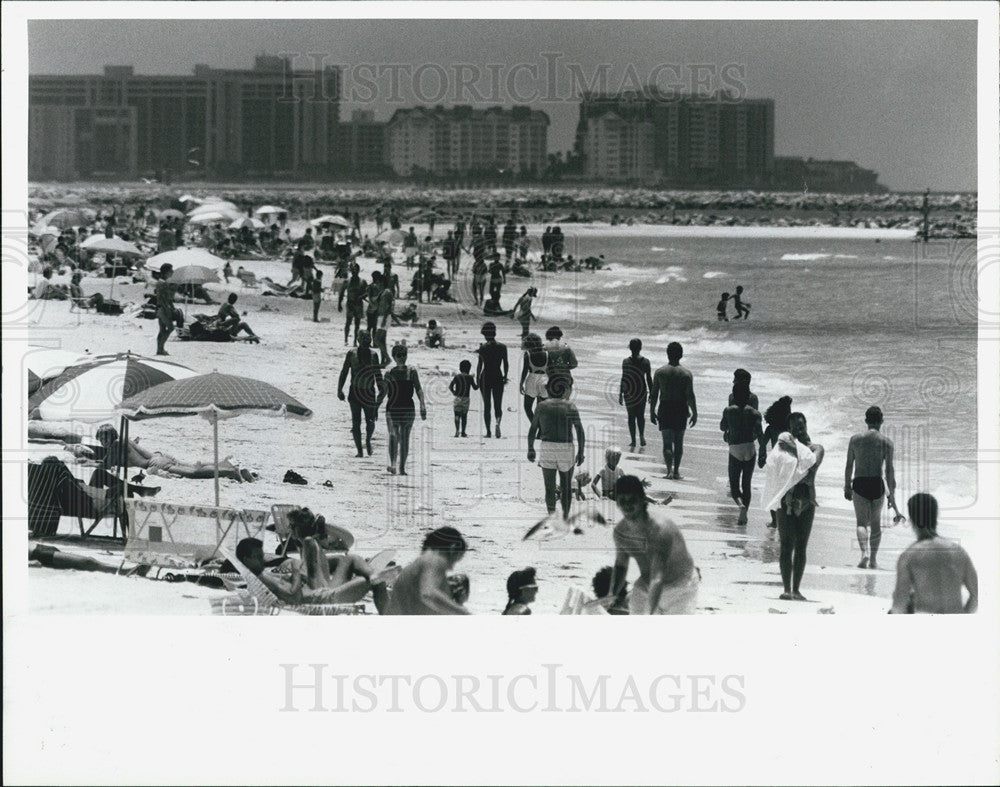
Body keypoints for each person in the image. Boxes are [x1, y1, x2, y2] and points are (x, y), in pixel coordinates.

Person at [610, 475, 699, 614]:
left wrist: (649, 614)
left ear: (642, 499)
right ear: (617, 503)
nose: (627, 505)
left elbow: (658, 578)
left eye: (632, 500)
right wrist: (611, 595)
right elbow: (621, 565)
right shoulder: (620, 532)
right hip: (646, 586)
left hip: (681, 586)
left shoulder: (659, 530)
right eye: (622, 500)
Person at [768, 412, 824, 601]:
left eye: (801, 425)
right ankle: (786, 589)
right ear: (789, 429)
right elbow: (774, 466)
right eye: (794, 427)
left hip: (807, 500)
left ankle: (797, 589)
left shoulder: (817, 448)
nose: (799, 429)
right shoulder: (782, 448)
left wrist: (793, 448)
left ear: (806, 425)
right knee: (786, 545)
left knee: (801, 546)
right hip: (787, 500)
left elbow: (812, 465)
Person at [890, 493, 978, 614]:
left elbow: (899, 605)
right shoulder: (958, 551)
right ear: (936, 517)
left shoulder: (909, 556)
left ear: (912, 520)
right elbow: (976, 595)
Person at [94, 424, 255, 482]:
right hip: (160, 456)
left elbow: (105, 465)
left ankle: (230, 472)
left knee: (192, 473)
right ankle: (231, 466)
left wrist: (83, 459)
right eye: (101, 440)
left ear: (110, 436)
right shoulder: (124, 439)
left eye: (103, 439)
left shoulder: (115, 445)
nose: (102, 443)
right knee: (193, 466)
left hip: (154, 463)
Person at [845, 405, 897, 569]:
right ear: (881, 421)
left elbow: (849, 465)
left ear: (866, 420)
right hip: (877, 484)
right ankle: (873, 560)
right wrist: (891, 494)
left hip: (859, 482)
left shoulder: (855, 439)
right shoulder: (887, 443)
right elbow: (889, 470)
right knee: (875, 524)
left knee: (861, 523)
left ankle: (864, 554)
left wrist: (847, 485)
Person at [527, 378, 585, 519]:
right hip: (566, 448)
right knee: (566, 487)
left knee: (549, 488)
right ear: (564, 390)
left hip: (547, 447)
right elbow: (580, 430)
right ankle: (565, 517)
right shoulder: (570, 406)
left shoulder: (541, 406)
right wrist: (581, 452)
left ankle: (552, 516)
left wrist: (530, 448)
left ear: (548, 389)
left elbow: (533, 428)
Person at [386, 527, 471, 615]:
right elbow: (429, 594)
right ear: (452, 549)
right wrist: (463, 613)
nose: (451, 567)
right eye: (454, 560)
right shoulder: (434, 559)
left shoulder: (418, 563)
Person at [376, 343, 427, 475]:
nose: (402, 358)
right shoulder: (389, 373)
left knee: (404, 439)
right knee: (393, 435)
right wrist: (375, 406)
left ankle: (402, 467)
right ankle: (393, 464)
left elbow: (419, 389)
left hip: (408, 408)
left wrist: (422, 405)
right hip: (392, 409)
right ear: (394, 357)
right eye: (399, 355)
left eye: (404, 355)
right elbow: (383, 392)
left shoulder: (412, 372)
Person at [649, 341, 697, 480]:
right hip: (681, 409)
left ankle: (669, 471)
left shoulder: (660, 372)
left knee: (667, 443)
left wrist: (652, 411)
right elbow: (690, 395)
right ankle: (676, 472)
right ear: (681, 355)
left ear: (667, 354)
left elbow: (654, 394)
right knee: (679, 442)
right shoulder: (686, 374)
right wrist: (695, 412)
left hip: (665, 408)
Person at [720, 384, 767, 524]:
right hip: (750, 448)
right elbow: (760, 433)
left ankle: (740, 505)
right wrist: (763, 451)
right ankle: (745, 513)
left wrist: (730, 427)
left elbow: (722, 427)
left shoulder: (728, 410)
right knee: (746, 484)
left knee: (734, 486)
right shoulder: (755, 413)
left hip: (735, 448)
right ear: (748, 397)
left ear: (734, 396)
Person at [338, 332, 386, 458]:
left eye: (368, 339)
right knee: (356, 422)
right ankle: (359, 450)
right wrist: (339, 389)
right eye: (363, 339)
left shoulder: (373, 355)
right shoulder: (351, 354)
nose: (365, 341)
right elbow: (344, 372)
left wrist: (381, 391)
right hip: (355, 391)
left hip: (369, 392)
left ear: (370, 340)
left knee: (370, 421)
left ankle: (368, 441)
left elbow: (378, 374)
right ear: (358, 340)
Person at [761, 395, 793, 528]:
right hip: (788, 462)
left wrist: (761, 457)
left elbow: (762, 444)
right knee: (786, 491)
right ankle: (786, 519)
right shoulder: (790, 430)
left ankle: (775, 521)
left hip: (775, 462)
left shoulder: (771, 429)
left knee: (774, 491)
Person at [476, 322, 509, 438]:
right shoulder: (502, 347)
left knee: (487, 406)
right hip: (497, 375)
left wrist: (477, 378)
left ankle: (488, 432)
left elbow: (480, 365)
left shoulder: (483, 347)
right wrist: (505, 376)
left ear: (485, 335)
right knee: (498, 404)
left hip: (485, 376)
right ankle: (497, 423)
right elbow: (506, 364)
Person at [620, 338, 653, 449]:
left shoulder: (626, 361)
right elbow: (649, 379)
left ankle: (633, 440)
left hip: (629, 392)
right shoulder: (645, 362)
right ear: (640, 348)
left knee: (631, 417)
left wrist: (620, 394)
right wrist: (652, 393)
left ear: (630, 348)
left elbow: (624, 378)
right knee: (640, 416)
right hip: (641, 391)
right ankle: (642, 435)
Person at [519, 332, 549, 421]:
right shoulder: (547, 353)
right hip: (544, 379)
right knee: (540, 409)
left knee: (527, 407)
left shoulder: (527, 354)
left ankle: (535, 426)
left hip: (532, 379)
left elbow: (525, 371)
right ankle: (541, 430)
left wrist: (521, 383)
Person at [544, 326, 578, 397]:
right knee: (564, 404)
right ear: (560, 335)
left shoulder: (544, 348)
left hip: (551, 379)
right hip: (565, 379)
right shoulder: (566, 347)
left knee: (551, 404)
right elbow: (574, 364)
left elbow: (541, 364)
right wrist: (563, 367)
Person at [449, 359, 478, 438]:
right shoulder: (470, 377)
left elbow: (450, 386)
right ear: (469, 368)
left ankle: (457, 430)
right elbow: (475, 388)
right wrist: (480, 383)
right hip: (466, 398)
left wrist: (454, 392)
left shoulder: (457, 376)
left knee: (456, 415)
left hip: (457, 398)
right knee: (464, 416)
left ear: (460, 368)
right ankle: (463, 432)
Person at [338, 266, 366, 345]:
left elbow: (367, 292)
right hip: (350, 303)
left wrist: (361, 296)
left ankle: (355, 341)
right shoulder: (347, 281)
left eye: (355, 270)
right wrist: (339, 304)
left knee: (357, 323)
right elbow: (342, 293)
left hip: (358, 304)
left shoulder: (362, 282)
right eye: (353, 270)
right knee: (348, 322)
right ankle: (346, 340)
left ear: (358, 271)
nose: (354, 272)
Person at [154, 263, 177, 356]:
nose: (172, 272)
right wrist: (168, 309)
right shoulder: (163, 283)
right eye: (171, 271)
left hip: (160, 308)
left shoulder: (160, 282)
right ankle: (161, 348)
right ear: (166, 272)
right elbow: (165, 298)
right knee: (170, 327)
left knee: (162, 330)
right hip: (163, 308)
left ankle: (160, 349)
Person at [365, 271, 384, 338]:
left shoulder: (373, 286)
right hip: (373, 309)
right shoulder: (372, 287)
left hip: (373, 308)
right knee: (371, 327)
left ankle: (371, 342)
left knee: (372, 327)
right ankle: (371, 342)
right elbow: (369, 298)